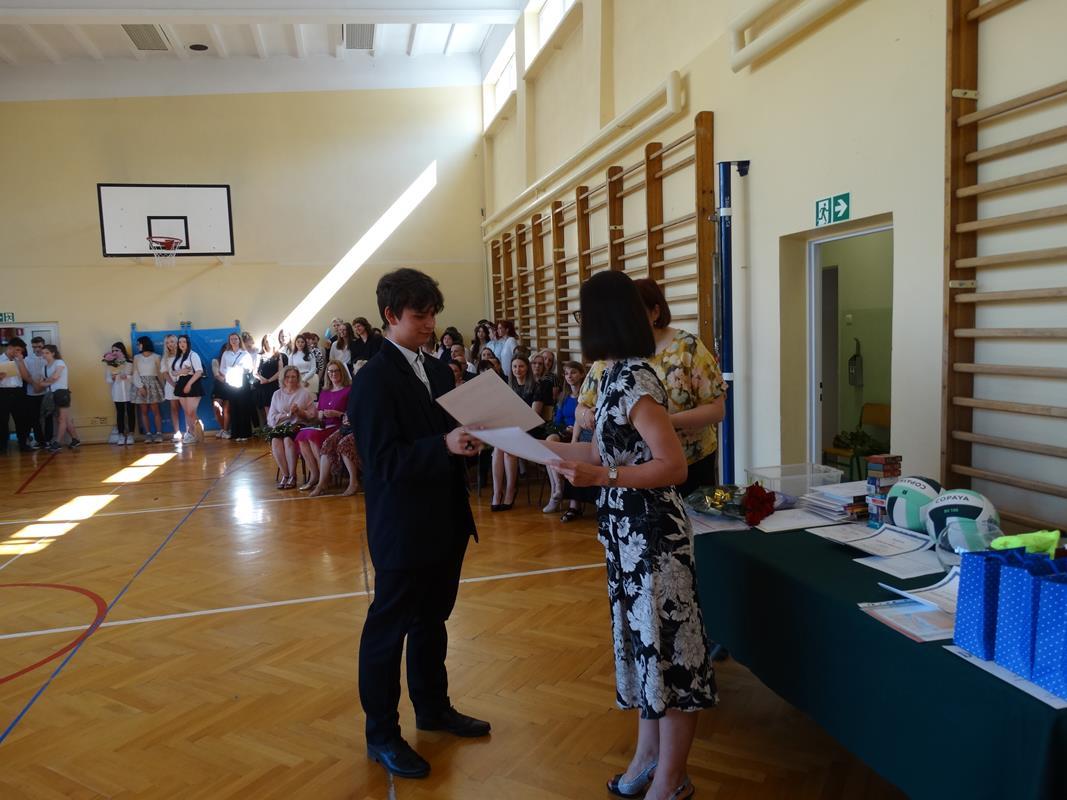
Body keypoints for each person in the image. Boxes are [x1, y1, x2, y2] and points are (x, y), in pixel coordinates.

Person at [544, 271, 716, 800]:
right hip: (626, 536)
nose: (580, 324)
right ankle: (647, 757)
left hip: (655, 537)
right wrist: (533, 447)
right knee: (645, 651)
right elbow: (600, 452)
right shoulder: (614, 373)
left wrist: (604, 477)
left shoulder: (637, 379)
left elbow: (672, 467)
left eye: (583, 314)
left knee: (672, 656)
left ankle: (672, 778)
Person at [348, 267, 489, 779]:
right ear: (390, 315)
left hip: (445, 520)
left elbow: (445, 437)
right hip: (403, 528)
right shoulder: (372, 379)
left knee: (432, 621)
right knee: (387, 633)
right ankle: (382, 734)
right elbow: (381, 461)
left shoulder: (436, 371)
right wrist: (443, 446)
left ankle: (433, 707)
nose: (430, 324)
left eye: (433, 314)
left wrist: (469, 440)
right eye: (419, 315)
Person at [577, 278, 728, 497]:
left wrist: (662, 422)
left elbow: (716, 409)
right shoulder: (610, 362)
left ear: (655, 312)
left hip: (690, 461)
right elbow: (584, 406)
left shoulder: (685, 347)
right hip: (631, 474)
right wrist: (588, 416)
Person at [490, 354, 549, 511]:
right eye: (514, 366)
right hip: (511, 429)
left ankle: (511, 490)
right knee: (498, 447)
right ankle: (497, 492)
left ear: (527, 368)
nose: (517, 369)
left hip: (532, 429)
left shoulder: (537, 386)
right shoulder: (509, 386)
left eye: (521, 366)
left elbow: (533, 416)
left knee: (508, 449)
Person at [295, 359, 350, 490]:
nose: (333, 374)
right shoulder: (325, 392)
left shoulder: (349, 390)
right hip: (324, 425)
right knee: (302, 435)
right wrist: (320, 414)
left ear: (342, 372)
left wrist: (337, 414)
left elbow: (351, 414)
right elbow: (319, 412)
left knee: (313, 436)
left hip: (340, 426)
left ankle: (323, 477)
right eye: (330, 371)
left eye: (336, 371)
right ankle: (315, 474)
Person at [542, 360, 586, 513]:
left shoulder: (587, 396)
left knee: (556, 449)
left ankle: (557, 493)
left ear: (581, 374)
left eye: (573, 372)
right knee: (549, 442)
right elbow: (556, 422)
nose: (569, 376)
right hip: (565, 433)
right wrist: (564, 429)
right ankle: (558, 488)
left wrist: (576, 429)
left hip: (581, 435)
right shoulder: (563, 396)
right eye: (566, 374)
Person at [267, 366, 316, 489]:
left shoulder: (304, 393)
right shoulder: (277, 394)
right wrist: (288, 415)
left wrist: (299, 412)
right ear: (283, 378)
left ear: (298, 378)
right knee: (275, 440)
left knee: (288, 440)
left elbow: (312, 415)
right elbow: (271, 418)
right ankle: (286, 475)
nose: (290, 379)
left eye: (293, 377)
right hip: (281, 425)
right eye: (287, 377)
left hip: (298, 424)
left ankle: (293, 475)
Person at [38, 344, 79, 452]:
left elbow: (56, 376)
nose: (44, 355)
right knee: (64, 419)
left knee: (61, 419)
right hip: (51, 394)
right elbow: (41, 383)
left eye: (47, 353)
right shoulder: (44, 367)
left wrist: (47, 380)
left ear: (53, 353)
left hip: (61, 393)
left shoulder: (59, 362)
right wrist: (50, 380)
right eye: (43, 353)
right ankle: (75, 439)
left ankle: (57, 442)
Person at [220, 332, 256, 442]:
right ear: (229, 341)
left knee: (243, 406)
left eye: (236, 339)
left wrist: (240, 369)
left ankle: (245, 433)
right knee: (234, 407)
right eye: (232, 339)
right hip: (231, 382)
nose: (234, 341)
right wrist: (230, 372)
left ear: (239, 340)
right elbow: (222, 368)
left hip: (243, 382)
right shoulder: (226, 354)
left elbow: (250, 368)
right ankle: (235, 433)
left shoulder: (245, 354)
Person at [171, 334, 205, 444]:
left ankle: (196, 433)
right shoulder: (178, 356)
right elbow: (173, 372)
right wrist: (181, 372)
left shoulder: (193, 355)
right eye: (180, 342)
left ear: (188, 343)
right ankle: (191, 433)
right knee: (187, 412)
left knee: (191, 412)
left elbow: (199, 371)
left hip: (192, 383)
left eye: (184, 342)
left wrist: (189, 384)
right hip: (181, 383)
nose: (181, 344)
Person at [0, 336, 32, 453]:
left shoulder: (21, 360)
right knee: (2, 420)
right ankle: (2, 446)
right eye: (17, 350)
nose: (19, 353)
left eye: (21, 351)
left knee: (21, 419)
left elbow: (26, 377)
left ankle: (23, 444)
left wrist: (21, 361)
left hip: (18, 392)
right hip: (3, 392)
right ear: (10, 347)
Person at [133, 336, 165, 443]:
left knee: (156, 410)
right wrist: (140, 387)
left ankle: (159, 433)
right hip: (141, 385)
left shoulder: (156, 357)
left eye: (139, 344)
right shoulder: (137, 357)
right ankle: (148, 434)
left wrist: (163, 386)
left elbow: (160, 373)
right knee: (144, 411)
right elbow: (135, 373)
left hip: (153, 384)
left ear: (144, 344)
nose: (138, 346)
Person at [105, 341, 137, 445]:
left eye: (117, 350)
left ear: (122, 350)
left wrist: (127, 377)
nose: (114, 352)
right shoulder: (110, 364)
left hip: (129, 391)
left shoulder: (130, 363)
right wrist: (112, 378)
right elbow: (108, 379)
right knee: (120, 413)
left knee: (131, 412)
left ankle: (131, 434)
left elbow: (135, 377)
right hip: (117, 392)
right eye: (113, 350)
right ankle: (121, 435)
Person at [23, 337, 50, 449]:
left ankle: (48, 440)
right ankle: (39, 441)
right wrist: (35, 386)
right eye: (34, 347)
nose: (37, 349)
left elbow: (51, 375)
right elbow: (25, 375)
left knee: (48, 417)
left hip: (46, 392)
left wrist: (42, 386)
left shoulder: (48, 358)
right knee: (34, 418)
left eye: (39, 346)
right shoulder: (27, 359)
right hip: (31, 393)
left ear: (43, 346)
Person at [254, 334, 287, 424]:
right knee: (268, 409)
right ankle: (271, 428)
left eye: (270, 341)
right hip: (264, 386)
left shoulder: (279, 355)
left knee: (278, 408)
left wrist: (269, 380)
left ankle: (279, 427)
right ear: (264, 343)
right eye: (266, 341)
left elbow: (280, 371)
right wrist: (263, 379)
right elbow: (254, 372)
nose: (269, 343)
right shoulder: (259, 355)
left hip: (275, 385)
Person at [159, 334, 183, 442]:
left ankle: (190, 432)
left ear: (177, 342)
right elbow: (165, 373)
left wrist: (182, 384)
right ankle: (177, 433)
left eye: (172, 341)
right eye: (167, 342)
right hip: (171, 386)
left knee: (187, 409)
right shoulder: (165, 358)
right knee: (174, 409)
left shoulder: (183, 355)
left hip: (184, 385)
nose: (170, 344)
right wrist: (174, 384)